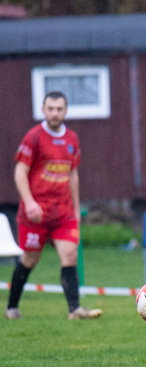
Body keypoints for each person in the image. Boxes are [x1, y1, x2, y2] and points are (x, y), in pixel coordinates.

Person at [5, 92, 102, 321]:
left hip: (63, 211)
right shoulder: (34, 137)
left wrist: (76, 208)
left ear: (66, 111)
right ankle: (11, 307)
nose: (55, 113)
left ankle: (74, 310)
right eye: (50, 108)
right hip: (35, 213)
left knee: (69, 255)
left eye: (59, 109)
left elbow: (73, 174)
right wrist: (29, 202)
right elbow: (20, 172)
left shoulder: (72, 139)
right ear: (43, 109)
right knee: (30, 259)